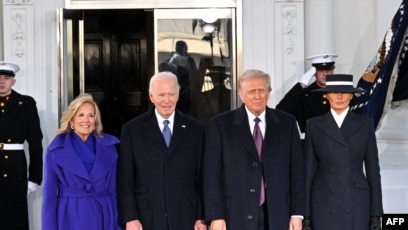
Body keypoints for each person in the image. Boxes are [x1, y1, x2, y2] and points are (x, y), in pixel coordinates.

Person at [202, 69, 305, 230]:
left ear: (269, 93)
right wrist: (216, 215)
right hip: (234, 215)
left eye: (262, 90)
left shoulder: (287, 124)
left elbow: (297, 172)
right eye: (251, 91)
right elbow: (211, 175)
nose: (257, 96)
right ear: (241, 94)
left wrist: (297, 214)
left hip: (278, 214)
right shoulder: (220, 125)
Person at [117, 71, 207, 230]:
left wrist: (201, 216)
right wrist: (130, 217)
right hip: (147, 217)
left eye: (172, 94)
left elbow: (203, 177)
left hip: (186, 216)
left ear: (178, 95)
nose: (167, 100)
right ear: (151, 96)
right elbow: (125, 179)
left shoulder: (196, 129)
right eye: (161, 94)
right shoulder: (132, 130)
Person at [303, 74, 383, 230]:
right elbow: (308, 173)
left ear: (351, 95)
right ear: (326, 95)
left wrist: (376, 215)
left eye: (344, 92)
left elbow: (373, 173)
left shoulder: (365, 125)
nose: (339, 96)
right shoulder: (313, 125)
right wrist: (306, 215)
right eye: (334, 92)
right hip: (323, 202)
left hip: (357, 203)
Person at [42, 93, 121, 230]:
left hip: (102, 215)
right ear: (71, 120)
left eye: (91, 115)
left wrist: (115, 224)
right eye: (81, 115)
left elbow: (113, 191)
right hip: (69, 217)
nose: (87, 120)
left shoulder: (109, 148)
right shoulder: (55, 150)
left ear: (96, 120)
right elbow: (49, 197)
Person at [0, 61, 43, 230]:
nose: (2, 82)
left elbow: (35, 143)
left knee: (15, 218)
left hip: (15, 169)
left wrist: (34, 178)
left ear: (13, 81)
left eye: (6, 78)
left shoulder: (26, 104)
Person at [276, 54, 337, 137]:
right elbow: (281, 112)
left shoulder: (343, 93)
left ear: (333, 70)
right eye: (320, 70)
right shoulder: (304, 94)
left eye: (328, 69)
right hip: (311, 144)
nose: (325, 73)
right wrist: (301, 85)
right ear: (314, 72)